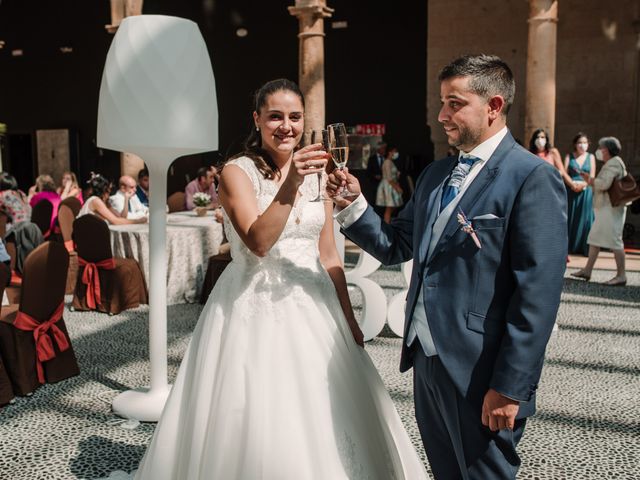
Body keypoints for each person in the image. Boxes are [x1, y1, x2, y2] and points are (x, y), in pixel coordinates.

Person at [132, 79, 427, 479]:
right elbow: (258, 242)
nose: (286, 126)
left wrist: (349, 317)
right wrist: (290, 185)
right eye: (275, 116)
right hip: (252, 306)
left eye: (294, 117)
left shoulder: (318, 172)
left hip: (315, 304)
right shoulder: (237, 172)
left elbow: (327, 253)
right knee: (257, 410)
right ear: (257, 119)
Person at [328, 54, 567, 479]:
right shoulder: (436, 175)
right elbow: (396, 245)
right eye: (442, 103)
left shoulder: (531, 177)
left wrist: (510, 386)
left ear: (493, 106)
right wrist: (353, 205)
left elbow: (538, 297)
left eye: (454, 104)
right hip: (428, 362)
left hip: (482, 371)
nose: (441, 116)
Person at [571, 137, 627, 286]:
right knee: (594, 238)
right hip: (606, 208)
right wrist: (590, 179)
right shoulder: (611, 163)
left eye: (601, 148)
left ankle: (621, 275)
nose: (599, 151)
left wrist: (590, 180)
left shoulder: (614, 163)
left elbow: (604, 184)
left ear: (607, 150)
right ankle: (587, 270)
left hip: (610, 208)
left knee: (615, 240)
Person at [563, 132, 595, 256]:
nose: (582, 145)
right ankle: (569, 246)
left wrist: (584, 185)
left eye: (585, 143)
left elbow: (592, 175)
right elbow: (564, 173)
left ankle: (583, 247)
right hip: (571, 189)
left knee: (585, 218)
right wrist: (572, 185)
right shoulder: (569, 156)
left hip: (585, 190)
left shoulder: (590, 157)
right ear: (575, 144)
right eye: (580, 143)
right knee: (571, 216)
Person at [78, 173, 146, 225]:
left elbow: (121, 217)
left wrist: (126, 199)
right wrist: (138, 221)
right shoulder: (95, 201)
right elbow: (115, 221)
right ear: (104, 189)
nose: (110, 191)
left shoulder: (106, 202)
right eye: (109, 189)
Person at [376, 146, 404, 223]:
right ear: (389, 152)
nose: (395, 153)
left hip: (390, 185)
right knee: (389, 207)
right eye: (394, 152)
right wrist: (397, 187)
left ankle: (387, 223)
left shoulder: (389, 162)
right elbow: (389, 178)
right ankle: (386, 224)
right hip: (389, 186)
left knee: (391, 207)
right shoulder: (387, 162)